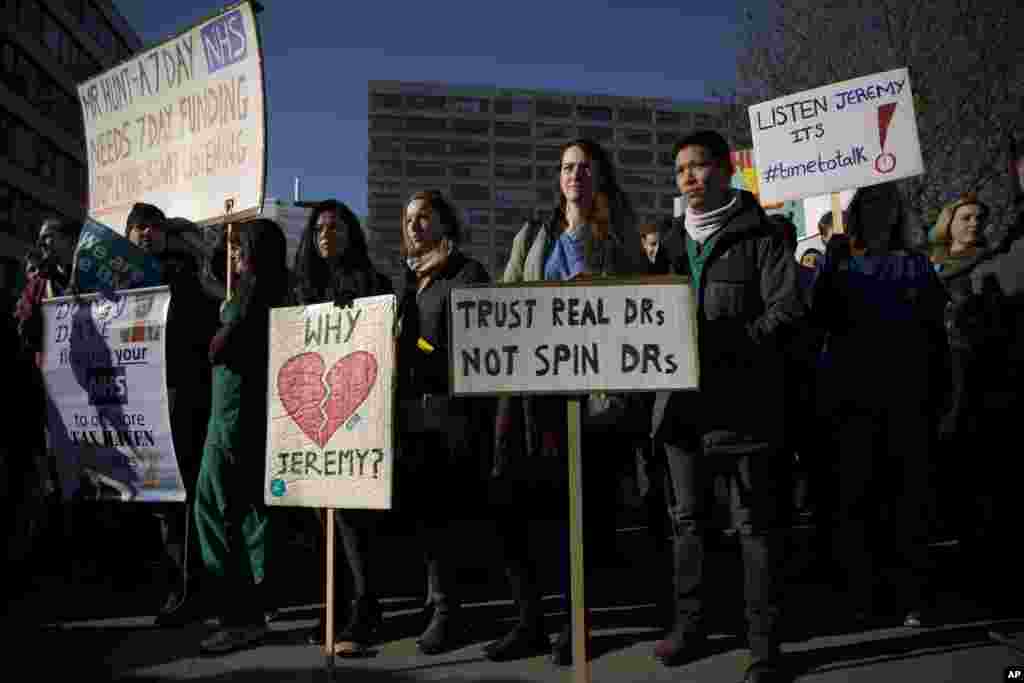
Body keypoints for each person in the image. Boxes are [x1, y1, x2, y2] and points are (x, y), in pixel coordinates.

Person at [652, 130, 803, 683]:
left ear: (726, 171)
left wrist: (730, 349)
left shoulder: (764, 234)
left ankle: (764, 648)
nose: (690, 178)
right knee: (688, 523)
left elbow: (786, 313)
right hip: (681, 411)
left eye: (700, 167)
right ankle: (690, 629)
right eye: (681, 170)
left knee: (754, 528)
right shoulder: (668, 243)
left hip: (747, 408)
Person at [487, 138, 640, 666]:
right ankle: (530, 619)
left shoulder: (618, 236)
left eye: (585, 168)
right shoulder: (531, 235)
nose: (574, 175)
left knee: (584, 517)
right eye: (567, 167)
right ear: (558, 178)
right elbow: (504, 303)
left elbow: (632, 304)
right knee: (519, 510)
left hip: (590, 399)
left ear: (600, 178)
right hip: (533, 399)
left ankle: (578, 625)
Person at [808, 183, 948, 630]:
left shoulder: (915, 264)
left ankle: (910, 594)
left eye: (889, 207)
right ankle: (862, 594)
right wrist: (830, 261)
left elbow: (934, 334)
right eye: (872, 207)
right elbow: (818, 317)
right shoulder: (842, 262)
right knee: (857, 500)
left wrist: (942, 393)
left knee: (908, 502)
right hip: (851, 398)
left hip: (908, 397)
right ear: (857, 214)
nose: (882, 215)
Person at [291, 199, 392, 655]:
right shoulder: (298, 291)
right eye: (318, 230)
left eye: (334, 227)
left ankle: (365, 608)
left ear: (351, 232)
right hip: (310, 420)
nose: (326, 235)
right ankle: (330, 608)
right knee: (321, 522)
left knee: (352, 522)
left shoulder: (373, 284)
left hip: (355, 418)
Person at [395, 189, 491, 655]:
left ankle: (452, 612)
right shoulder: (408, 280)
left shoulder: (465, 274)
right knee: (425, 518)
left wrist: (421, 353)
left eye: (425, 216)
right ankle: (436, 600)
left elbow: (475, 344)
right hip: (415, 414)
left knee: (447, 517)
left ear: (444, 223)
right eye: (409, 218)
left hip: (453, 413)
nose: (415, 225)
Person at [195, 218, 289, 654]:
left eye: (238, 245)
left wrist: (219, 329)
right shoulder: (270, 290)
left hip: (232, 417)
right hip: (248, 414)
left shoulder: (251, 295)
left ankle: (238, 615)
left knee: (214, 509)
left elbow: (219, 350)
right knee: (253, 513)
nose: (231, 252)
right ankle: (259, 601)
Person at [125, 203, 222, 626]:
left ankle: (188, 591)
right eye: (138, 228)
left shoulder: (183, 273)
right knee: (157, 500)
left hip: (179, 394)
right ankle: (174, 586)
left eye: (153, 228)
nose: (146, 234)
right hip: (136, 398)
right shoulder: (115, 277)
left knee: (177, 496)